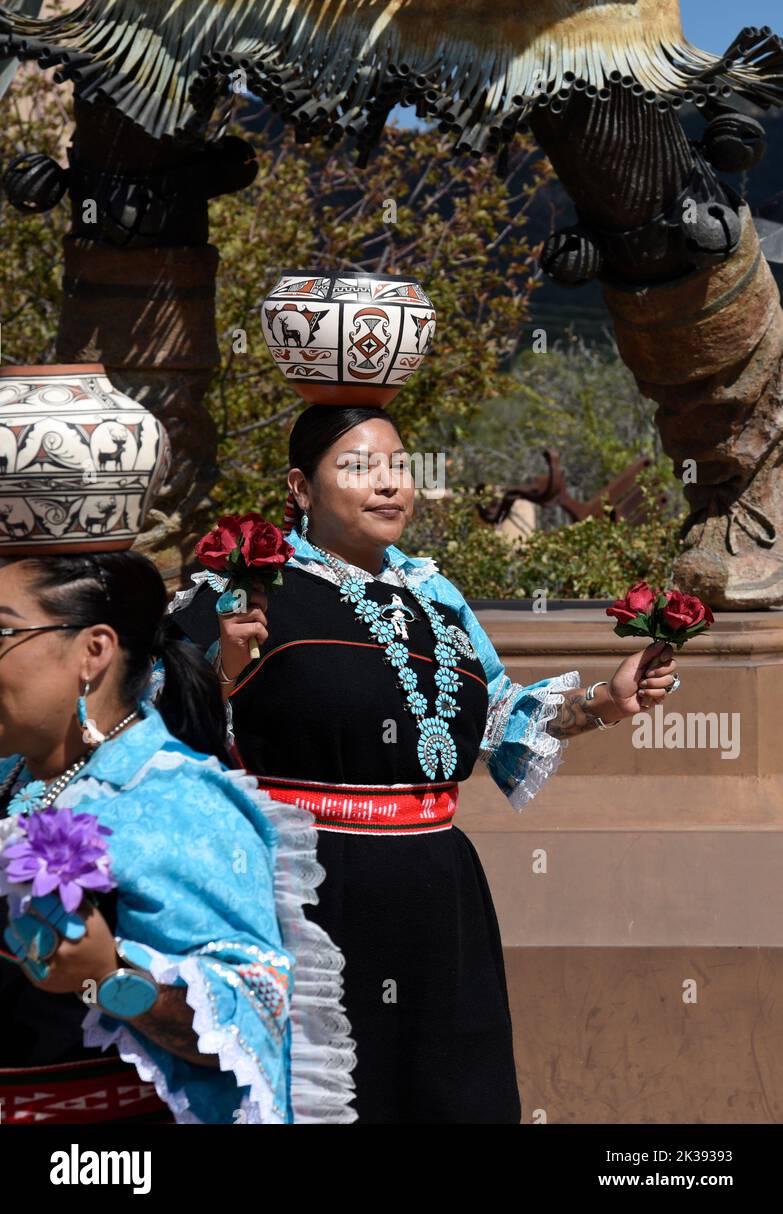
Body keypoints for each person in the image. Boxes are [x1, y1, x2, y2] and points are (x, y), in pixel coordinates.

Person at [170, 404, 679, 1125]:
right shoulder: (243, 587)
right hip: (305, 892)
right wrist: (223, 661)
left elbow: (497, 721)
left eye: (399, 467)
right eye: (357, 467)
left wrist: (605, 700)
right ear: (300, 488)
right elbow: (160, 720)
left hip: (437, 893)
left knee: (447, 1095)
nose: (387, 485)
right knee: (327, 1096)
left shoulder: (435, 599)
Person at [0, 549, 355, 1125]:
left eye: (3, 630)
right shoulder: (15, 776)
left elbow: (256, 1009)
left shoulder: (178, 800)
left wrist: (109, 974)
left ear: (93, 651)